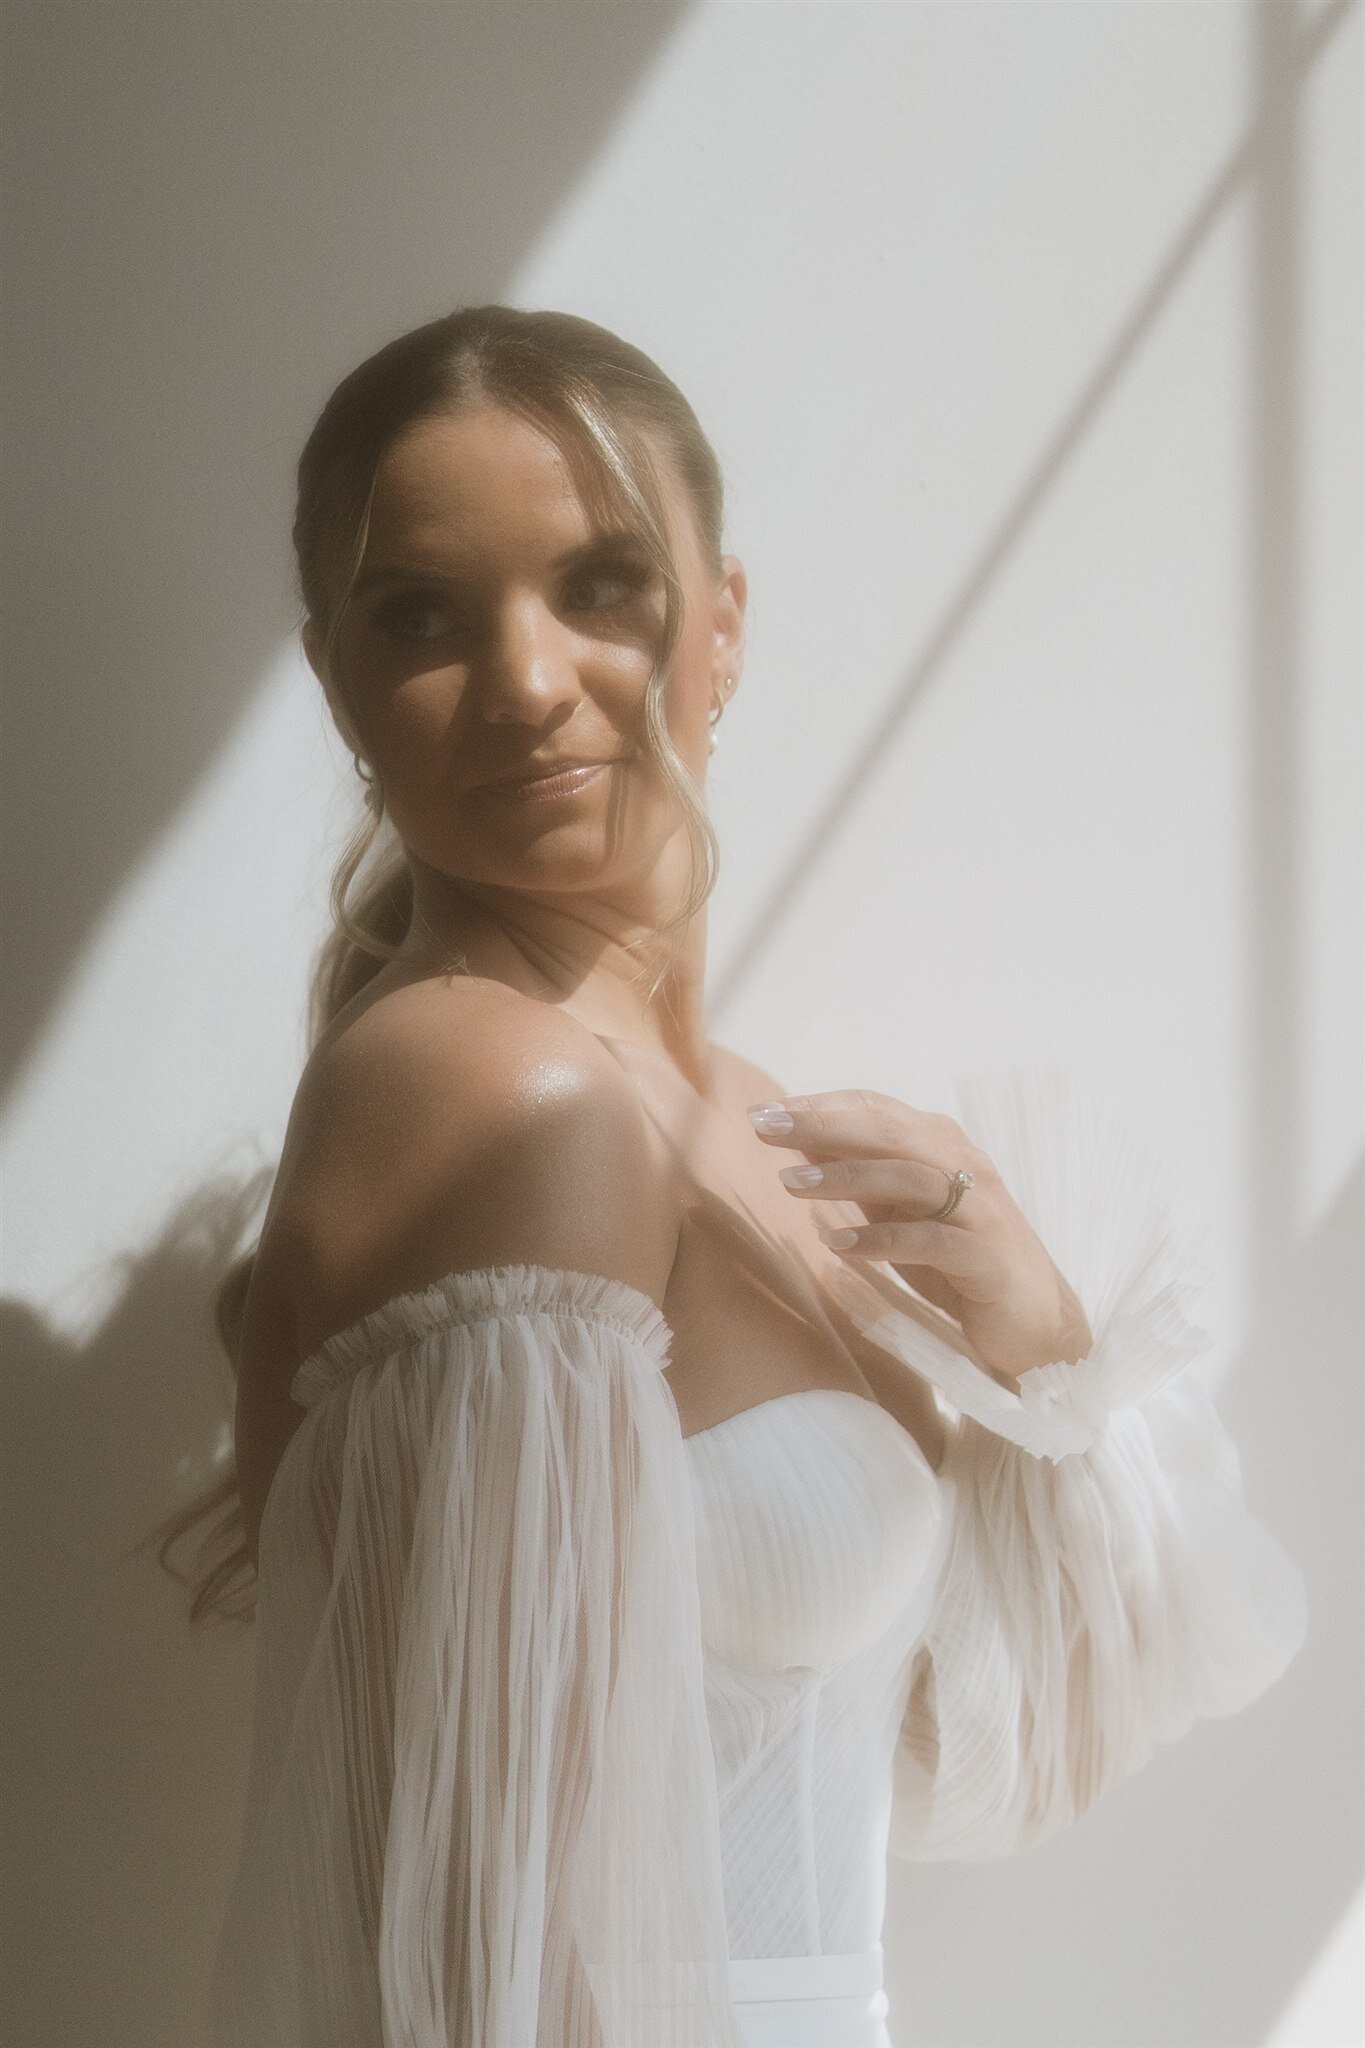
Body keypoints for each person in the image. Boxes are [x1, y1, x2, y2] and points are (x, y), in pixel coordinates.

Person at [155, 306, 1307, 2048]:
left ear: (723, 625)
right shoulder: (498, 1089)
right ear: (336, 683)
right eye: (421, 617)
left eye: (599, 584)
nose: (530, 680)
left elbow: (1002, 1747)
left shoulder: (720, 1109)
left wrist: (1038, 1348)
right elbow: (487, 1944)